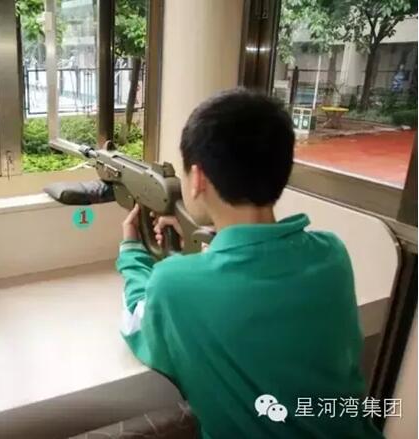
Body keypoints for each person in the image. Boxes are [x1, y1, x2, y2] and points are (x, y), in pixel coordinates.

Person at [117, 89, 384, 438]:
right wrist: (212, 244)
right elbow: (258, 282)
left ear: (198, 178)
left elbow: (136, 325)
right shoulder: (332, 255)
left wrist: (132, 250)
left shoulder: (173, 284)